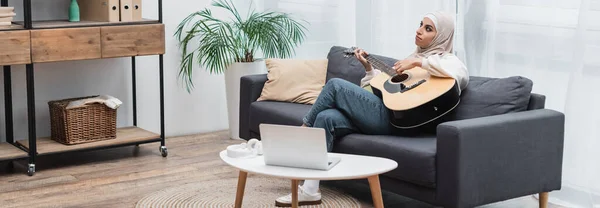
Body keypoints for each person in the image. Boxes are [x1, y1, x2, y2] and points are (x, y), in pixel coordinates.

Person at [274, 11, 469, 207]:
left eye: (428, 29)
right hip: (384, 112)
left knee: (335, 86)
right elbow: (381, 91)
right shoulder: (412, 60)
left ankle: (302, 131)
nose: (419, 31)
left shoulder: (447, 60)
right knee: (326, 117)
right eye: (420, 24)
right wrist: (368, 69)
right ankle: (310, 190)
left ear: (442, 36)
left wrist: (419, 61)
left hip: (398, 121)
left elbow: (461, 75)